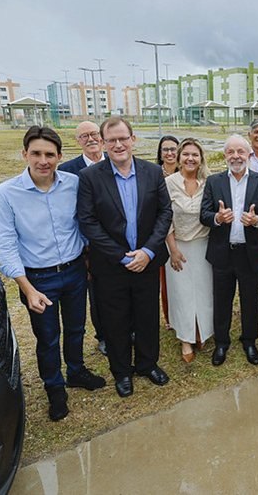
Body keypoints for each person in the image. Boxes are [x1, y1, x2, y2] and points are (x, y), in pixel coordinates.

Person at [0, 126, 105, 422]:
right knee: (47, 338)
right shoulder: (7, 193)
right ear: (25, 154)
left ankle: (76, 370)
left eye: (49, 155)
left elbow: (86, 221)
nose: (43, 160)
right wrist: (27, 288)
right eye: (36, 154)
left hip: (74, 271)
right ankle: (54, 388)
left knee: (76, 328)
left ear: (59, 157)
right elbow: (5, 245)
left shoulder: (73, 183)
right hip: (38, 279)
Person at [77, 117, 173, 398]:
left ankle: (147, 364)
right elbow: (88, 222)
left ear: (133, 140)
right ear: (103, 144)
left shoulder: (153, 172)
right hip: (111, 266)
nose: (118, 145)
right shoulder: (90, 177)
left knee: (146, 316)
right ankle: (122, 372)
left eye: (123, 138)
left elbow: (164, 213)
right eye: (111, 140)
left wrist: (148, 251)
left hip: (147, 261)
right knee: (115, 321)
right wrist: (122, 256)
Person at [200, 134, 258, 366]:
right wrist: (218, 218)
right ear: (225, 156)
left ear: (249, 154)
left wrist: (256, 220)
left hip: (250, 253)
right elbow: (204, 215)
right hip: (223, 252)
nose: (236, 156)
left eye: (241, 152)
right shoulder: (214, 181)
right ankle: (222, 343)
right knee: (222, 300)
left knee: (251, 301)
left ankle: (249, 341)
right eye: (231, 152)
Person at [58, 120, 107, 356]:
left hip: (120, 241)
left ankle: (128, 329)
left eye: (94, 134)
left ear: (102, 137)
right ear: (78, 141)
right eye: (84, 136)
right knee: (96, 292)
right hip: (89, 246)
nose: (90, 139)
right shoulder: (68, 171)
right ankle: (103, 335)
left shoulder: (116, 161)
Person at [164, 138, 214, 364]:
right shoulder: (168, 183)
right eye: (186, 154)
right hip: (177, 246)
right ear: (179, 157)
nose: (190, 158)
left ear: (201, 158)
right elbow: (164, 218)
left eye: (195, 154)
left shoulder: (209, 183)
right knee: (182, 294)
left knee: (204, 292)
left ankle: (202, 332)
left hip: (203, 245)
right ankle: (186, 338)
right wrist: (173, 250)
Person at [156, 135, 179, 330]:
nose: (170, 153)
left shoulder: (187, 172)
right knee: (166, 279)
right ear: (160, 153)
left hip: (186, 233)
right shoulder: (155, 175)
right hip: (162, 233)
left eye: (174, 149)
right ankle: (170, 317)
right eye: (166, 149)